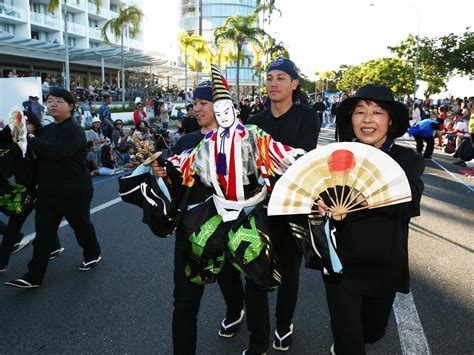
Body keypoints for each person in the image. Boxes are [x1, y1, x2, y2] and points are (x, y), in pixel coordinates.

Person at [147, 67, 307, 354]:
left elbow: (278, 153)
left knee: (249, 280)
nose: (199, 109)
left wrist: (296, 159)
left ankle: (249, 327)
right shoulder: (195, 142)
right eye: (195, 103)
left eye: (205, 103)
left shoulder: (251, 135)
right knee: (190, 292)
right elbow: (179, 167)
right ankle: (223, 320)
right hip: (205, 223)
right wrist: (165, 168)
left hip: (247, 218)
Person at [317, 83, 424, 355]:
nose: (367, 119)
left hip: (383, 264)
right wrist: (316, 208)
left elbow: (410, 198)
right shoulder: (334, 158)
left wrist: (371, 197)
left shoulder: (407, 160)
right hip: (341, 265)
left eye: (377, 112)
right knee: (348, 339)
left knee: (373, 331)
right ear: (350, 118)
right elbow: (313, 194)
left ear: (390, 121)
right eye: (360, 112)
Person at [245, 57, 321, 354]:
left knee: (289, 274)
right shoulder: (255, 122)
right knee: (253, 274)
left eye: (280, 78)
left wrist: (269, 160)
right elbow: (249, 164)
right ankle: (257, 340)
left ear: (294, 83)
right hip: (257, 208)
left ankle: (284, 323)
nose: (273, 83)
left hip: (292, 207)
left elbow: (302, 160)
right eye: (269, 78)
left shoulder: (308, 116)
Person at [5, 88, 101, 288]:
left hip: (75, 191)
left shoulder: (74, 130)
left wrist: (29, 138)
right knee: (43, 234)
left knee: (81, 225)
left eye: (59, 101)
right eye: (49, 101)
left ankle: (92, 253)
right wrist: (20, 129)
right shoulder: (47, 129)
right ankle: (33, 276)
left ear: (71, 106)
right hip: (48, 191)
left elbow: (57, 152)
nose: (53, 104)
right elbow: (28, 139)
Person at [0, 111, 63, 272]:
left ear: (35, 126)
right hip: (25, 192)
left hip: (42, 189)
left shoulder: (41, 140)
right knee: (18, 224)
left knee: (42, 222)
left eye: (28, 124)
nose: (24, 127)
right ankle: (2, 262)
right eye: (21, 124)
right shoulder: (14, 142)